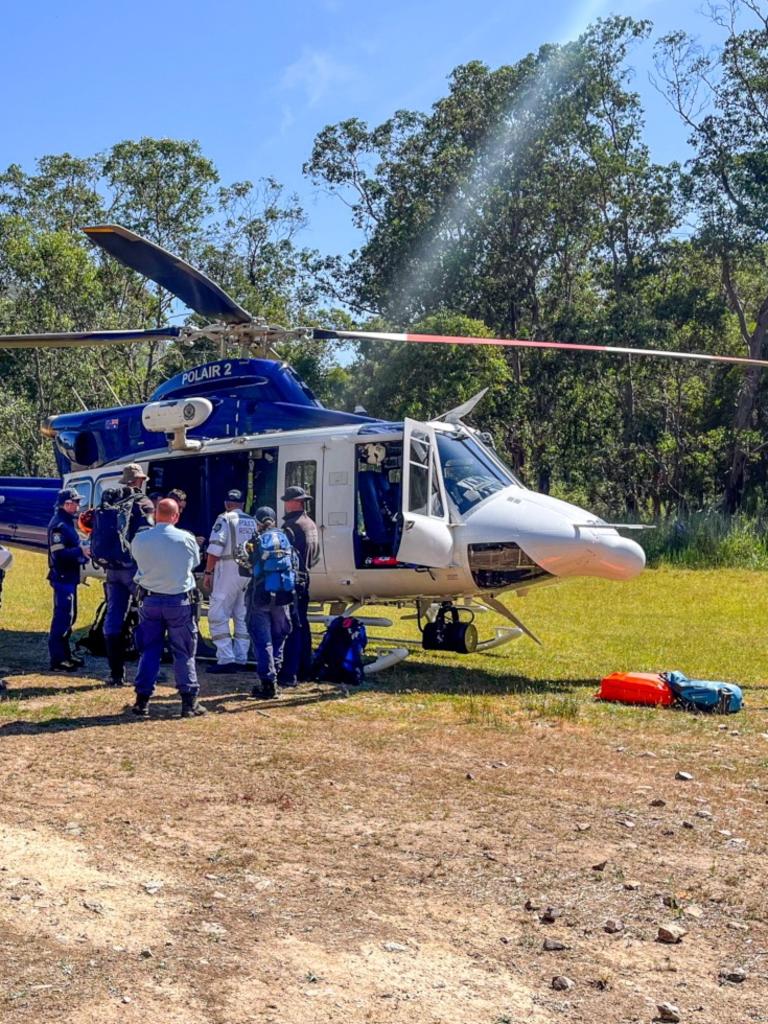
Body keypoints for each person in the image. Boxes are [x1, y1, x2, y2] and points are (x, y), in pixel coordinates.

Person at [129, 498, 204, 718]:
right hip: (179, 601)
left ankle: (142, 701)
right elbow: (195, 563)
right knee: (184, 651)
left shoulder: (140, 539)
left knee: (149, 649)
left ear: (155, 515)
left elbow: (137, 560)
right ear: (176, 516)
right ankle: (189, 702)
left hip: (149, 601)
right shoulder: (186, 539)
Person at [101, 464, 154, 687]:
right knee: (148, 615)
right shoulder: (144, 503)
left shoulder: (111, 501)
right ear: (139, 481)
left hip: (112, 568)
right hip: (134, 568)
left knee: (114, 617)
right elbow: (149, 536)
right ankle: (148, 668)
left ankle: (115, 674)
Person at [203, 488, 257, 673]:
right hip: (248, 573)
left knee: (218, 614)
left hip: (227, 571)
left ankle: (226, 659)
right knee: (241, 616)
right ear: (242, 504)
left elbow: (214, 549)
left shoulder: (224, 519)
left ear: (227, 504)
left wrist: (208, 573)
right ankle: (241, 658)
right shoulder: (252, 521)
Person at [244, 506, 295, 699]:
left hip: (259, 594)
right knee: (279, 635)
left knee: (262, 638)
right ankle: (276, 670)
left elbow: (246, 567)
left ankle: (268, 682)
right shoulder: (286, 538)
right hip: (282, 595)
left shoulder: (255, 542)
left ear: (257, 522)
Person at [279, 485, 319, 687]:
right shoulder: (310, 524)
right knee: (303, 624)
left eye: (287, 501)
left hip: (293, 580)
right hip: (306, 578)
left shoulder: (292, 527)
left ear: (295, 502)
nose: (285, 504)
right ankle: (306, 669)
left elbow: (283, 557)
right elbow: (316, 556)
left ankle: (289, 673)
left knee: (291, 627)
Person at [46, 488, 89, 671]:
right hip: (62, 577)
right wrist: (81, 551)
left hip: (69, 577)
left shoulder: (67, 522)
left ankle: (66, 654)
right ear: (67, 504)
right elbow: (59, 554)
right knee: (62, 618)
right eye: (76, 502)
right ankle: (58, 659)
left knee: (70, 617)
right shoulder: (59, 525)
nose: (78, 506)